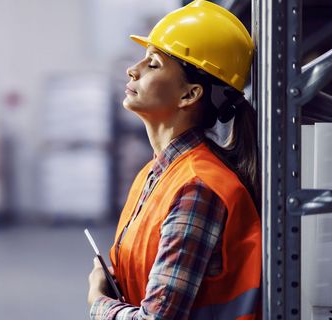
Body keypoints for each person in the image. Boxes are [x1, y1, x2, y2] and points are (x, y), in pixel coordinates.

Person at [87, 1, 262, 319]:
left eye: (153, 64)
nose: (133, 69)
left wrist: (99, 300)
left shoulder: (197, 188)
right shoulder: (155, 175)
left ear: (189, 95)